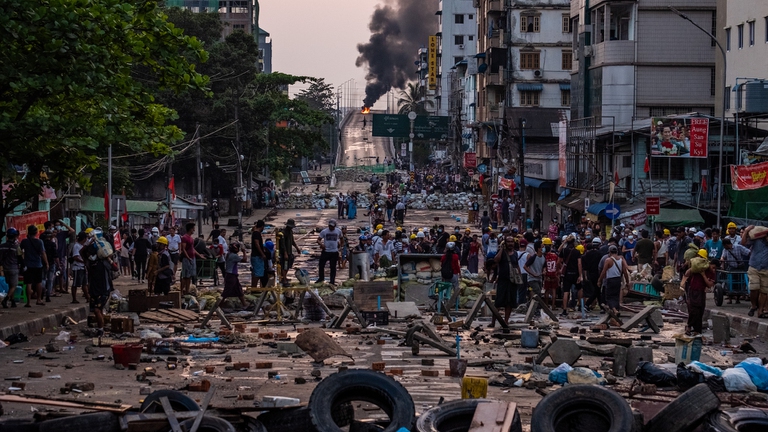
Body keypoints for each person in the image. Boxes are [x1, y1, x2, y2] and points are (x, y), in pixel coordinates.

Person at [80, 229, 112, 335]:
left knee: (97, 310)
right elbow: (82, 253)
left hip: (103, 290)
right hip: (95, 289)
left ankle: (101, 330)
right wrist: (89, 243)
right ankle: (101, 329)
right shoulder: (90, 264)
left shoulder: (103, 263)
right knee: (98, 310)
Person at [680, 256, 717, 336]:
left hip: (701, 292)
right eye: (713, 267)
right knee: (693, 310)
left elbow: (709, 285)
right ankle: (689, 327)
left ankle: (697, 330)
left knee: (700, 311)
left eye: (715, 269)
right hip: (693, 290)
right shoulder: (701, 267)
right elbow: (687, 273)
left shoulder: (710, 273)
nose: (714, 270)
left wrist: (703, 275)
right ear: (710, 264)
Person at [490, 235, 520, 328]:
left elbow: (516, 265)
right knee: (498, 302)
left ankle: (506, 321)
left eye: (512, 242)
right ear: (505, 243)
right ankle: (493, 321)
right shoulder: (502, 253)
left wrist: (519, 277)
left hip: (512, 281)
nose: (510, 244)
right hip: (503, 280)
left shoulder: (515, 253)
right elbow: (496, 260)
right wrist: (501, 249)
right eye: (508, 242)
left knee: (509, 303)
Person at [742, 225, 768, 318]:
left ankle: (760, 311)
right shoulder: (757, 239)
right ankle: (753, 306)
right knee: (754, 288)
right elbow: (743, 243)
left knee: (764, 292)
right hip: (754, 267)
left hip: (766, 269)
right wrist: (746, 231)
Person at [20, 225, 48, 307]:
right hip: (38, 265)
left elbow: (20, 251)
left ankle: (28, 302)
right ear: (36, 233)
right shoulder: (39, 242)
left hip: (27, 265)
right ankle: (38, 299)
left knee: (28, 283)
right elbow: (43, 253)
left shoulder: (24, 241)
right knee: (38, 282)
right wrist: (46, 263)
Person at [597, 245, 630, 314]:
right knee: (616, 296)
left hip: (610, 280)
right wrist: (627, 282)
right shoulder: (621, 260)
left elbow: (603, 271)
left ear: (610, 252)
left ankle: (614, 310)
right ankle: (616, 310)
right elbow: (625, 272)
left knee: (609, 297)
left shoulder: (608, 260)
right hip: (618, 280)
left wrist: (600, 280)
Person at [557, 235, 582, 316]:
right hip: (575, 273)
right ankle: (581, 306)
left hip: (566, 274)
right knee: (580, 289)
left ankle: (564, 310)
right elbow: (579, 263)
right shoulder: (577, 251)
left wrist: (561, 269)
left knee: (566, 292)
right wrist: (580, 275)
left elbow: (558, 261)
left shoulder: (564, 251)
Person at [223, 242, 248, 309]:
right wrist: (244, 251)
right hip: (231, 275)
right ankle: (219, 305)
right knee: (226, 292)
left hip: (232, 275)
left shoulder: (229, 254)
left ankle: (244, 304)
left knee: (239, 290)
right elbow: (244, 260)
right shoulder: (233, 256)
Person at [0, 228, 22, 308]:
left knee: (10, 285)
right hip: (13, 268)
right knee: (14, 285)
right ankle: (6, 299)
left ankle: (12, 302)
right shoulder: (16, 247)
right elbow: (20, 259)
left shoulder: (2, 246)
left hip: (5, 268)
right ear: (15, 236)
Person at [180, 223, 202, 295]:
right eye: (193, 228)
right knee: (185, 276)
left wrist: (199, 255)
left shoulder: (191, 238)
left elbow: (192, 249)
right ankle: (181, 291)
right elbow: (183, 249)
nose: (194, 230)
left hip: (192, 258)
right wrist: (188, 257)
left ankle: (187, 291)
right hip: (187, 259)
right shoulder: (185, 237)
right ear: (190, 229)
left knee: (189, 276)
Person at [317, 219, 341, 285]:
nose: (331, 228)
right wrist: (321, 244)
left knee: (333, 267)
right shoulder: (324, 231)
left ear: (335, 226)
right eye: (330, 226)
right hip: (326, 251)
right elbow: (318, 240)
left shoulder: (338, 231)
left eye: (332, 226)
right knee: (321, 265)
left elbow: (341, 238)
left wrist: (340, 245)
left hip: (334, 252)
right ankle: (321, 278)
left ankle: (332, 281)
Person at [278, 219, 301, 287]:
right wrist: (285, 253)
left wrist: (297, 248)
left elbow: (292, 241)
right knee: (284, 266)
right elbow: (282, 245)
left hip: (289, 252)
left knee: (288, 266)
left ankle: (284, 277)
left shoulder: (290, 232)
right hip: (285, 253)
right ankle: (284, 279)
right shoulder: (283, 233)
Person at [70, 232, 88, 304]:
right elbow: (75, 257)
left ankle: (88, 297)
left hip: (82, 267)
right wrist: (83, 262)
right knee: (75, 284)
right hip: (77, 267)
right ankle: (74, 298)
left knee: (84, 283)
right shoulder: (76, 246)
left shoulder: (82, 246)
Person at [251, 220, 268, 288]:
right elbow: (257, 244)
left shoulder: (255, 233)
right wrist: (262, 254)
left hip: (257, 256)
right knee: (257, 273)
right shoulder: (256, 234)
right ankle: (254, 288)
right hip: (257, 256)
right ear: (262, 227)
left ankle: (254, 287)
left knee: (257, 272)